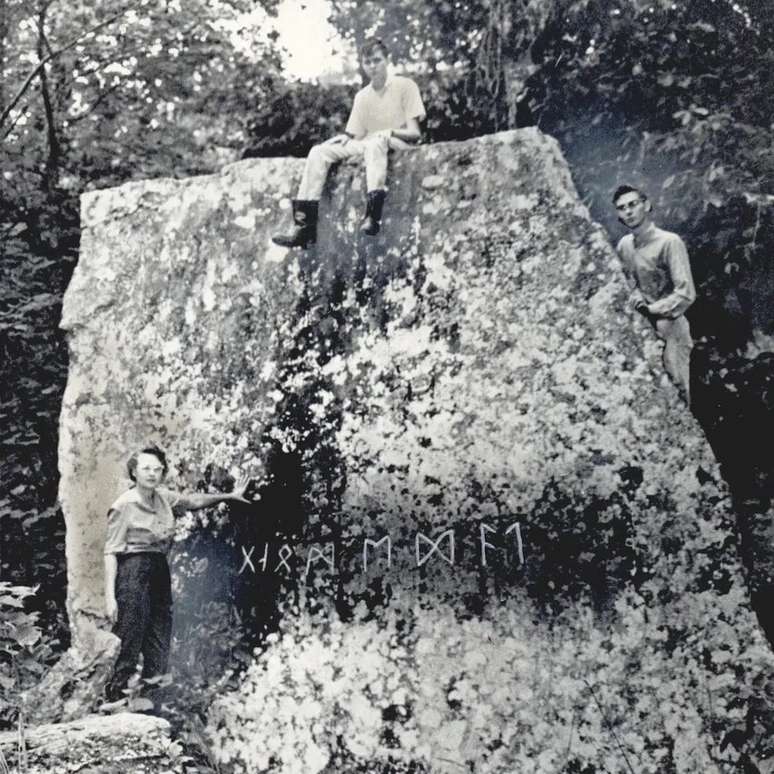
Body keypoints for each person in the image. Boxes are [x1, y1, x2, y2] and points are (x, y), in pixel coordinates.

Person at [103, 445, 252, 705]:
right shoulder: (123, 505)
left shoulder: (163, 498)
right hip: (133, 569)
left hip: (159, 568)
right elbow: (110, 552)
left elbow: (193, 501)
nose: (152, 473)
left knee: (160, 630)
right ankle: (115, 696)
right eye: (146, 468)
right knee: (131, 629)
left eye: (157, 469)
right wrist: (109, 597)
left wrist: (228, 496)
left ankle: (151, 697)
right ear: (134, 472)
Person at [272, 37, 425, 249]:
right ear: (363, 65)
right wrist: (346, 138)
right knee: (318, 151)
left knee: (375, 142)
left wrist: (388, 131)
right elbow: (355, 136)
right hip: (372, 144)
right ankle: (303, 227)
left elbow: (415, 134)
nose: (373, 66)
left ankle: (372, 216)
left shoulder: (405, 86)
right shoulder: (363, 96)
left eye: (377, 60)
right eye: (368, 62)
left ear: (387, 60)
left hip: (397, 144)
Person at [613, 184, 696, 405]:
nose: (628, 211)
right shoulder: (624, 246)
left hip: (671, 327)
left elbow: (686, 293)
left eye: (633, 204)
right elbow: (628, 284)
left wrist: (652, 310)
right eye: (622, 208)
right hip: (642, 329)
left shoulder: (669, 242)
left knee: (677, 394)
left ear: (647, 205)